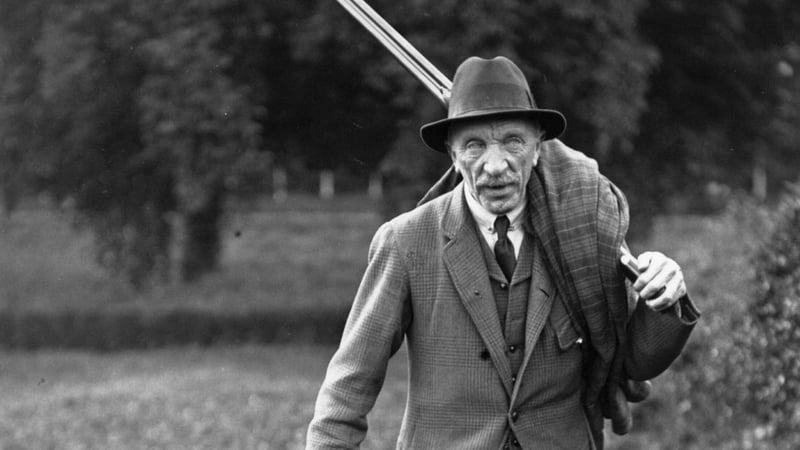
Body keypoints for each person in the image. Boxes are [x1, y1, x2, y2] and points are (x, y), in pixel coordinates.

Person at [306, 56, 700, 450]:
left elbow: (637, 360)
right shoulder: (406, 241)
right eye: (474, 145)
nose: (495, 166)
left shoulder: (584, 225)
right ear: (452, 155)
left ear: (537, 148)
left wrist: (666, 294)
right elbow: (349, 384)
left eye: (513, 141)